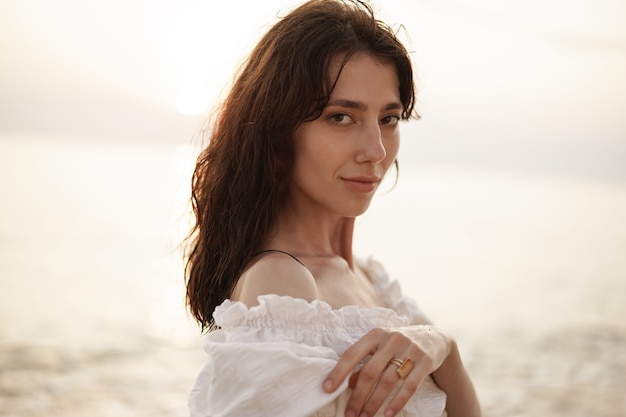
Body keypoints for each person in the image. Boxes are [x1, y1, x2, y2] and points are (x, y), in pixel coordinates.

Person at [184, 0, 481, 416]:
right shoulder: (280, 283)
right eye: (341, 117)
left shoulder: (370, 278)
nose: (376, 151)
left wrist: (444, 349)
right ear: (278, 127)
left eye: (389, 119)